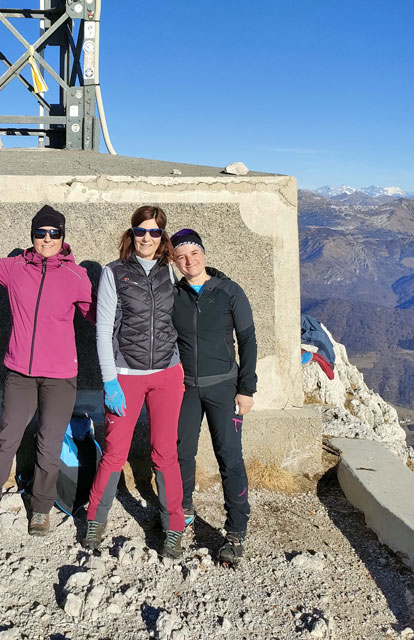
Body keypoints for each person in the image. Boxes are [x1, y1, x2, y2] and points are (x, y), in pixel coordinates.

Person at [0, 205, 94, 537]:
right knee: (6, 439)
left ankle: (40, 509)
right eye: (41, 233)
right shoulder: (15, 268)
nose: (47, 239)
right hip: (20, 373)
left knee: (49, 444)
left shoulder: (76, 276)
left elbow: (96, 315)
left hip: (60, 376)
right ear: (32, 236)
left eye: (54, 233)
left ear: (63, 237)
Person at [81, 205, 186, 558]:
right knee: (114, 452)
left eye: (155, 232)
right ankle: (95, 519)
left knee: (165, 452)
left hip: (168, 375)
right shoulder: (114, 273)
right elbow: (103, 330)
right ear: (132, 234)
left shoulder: (172, 272)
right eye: (141, 231)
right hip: (126, 376)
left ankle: (173, 526)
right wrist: (109, 381)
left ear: (162, 237)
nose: (147, 238)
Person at [171, 228, 257, 565]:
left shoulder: (229, 291)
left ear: (204, 254)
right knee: (181, 453)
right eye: (181, 256)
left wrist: (246, 388)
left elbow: (248, 340)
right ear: (175, 262)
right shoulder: (173, 294)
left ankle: (236, 531)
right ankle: (183, 512)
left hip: (224, 387)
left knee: (230, 457)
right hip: (185, 388)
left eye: (193, 253)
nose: (189, 261)